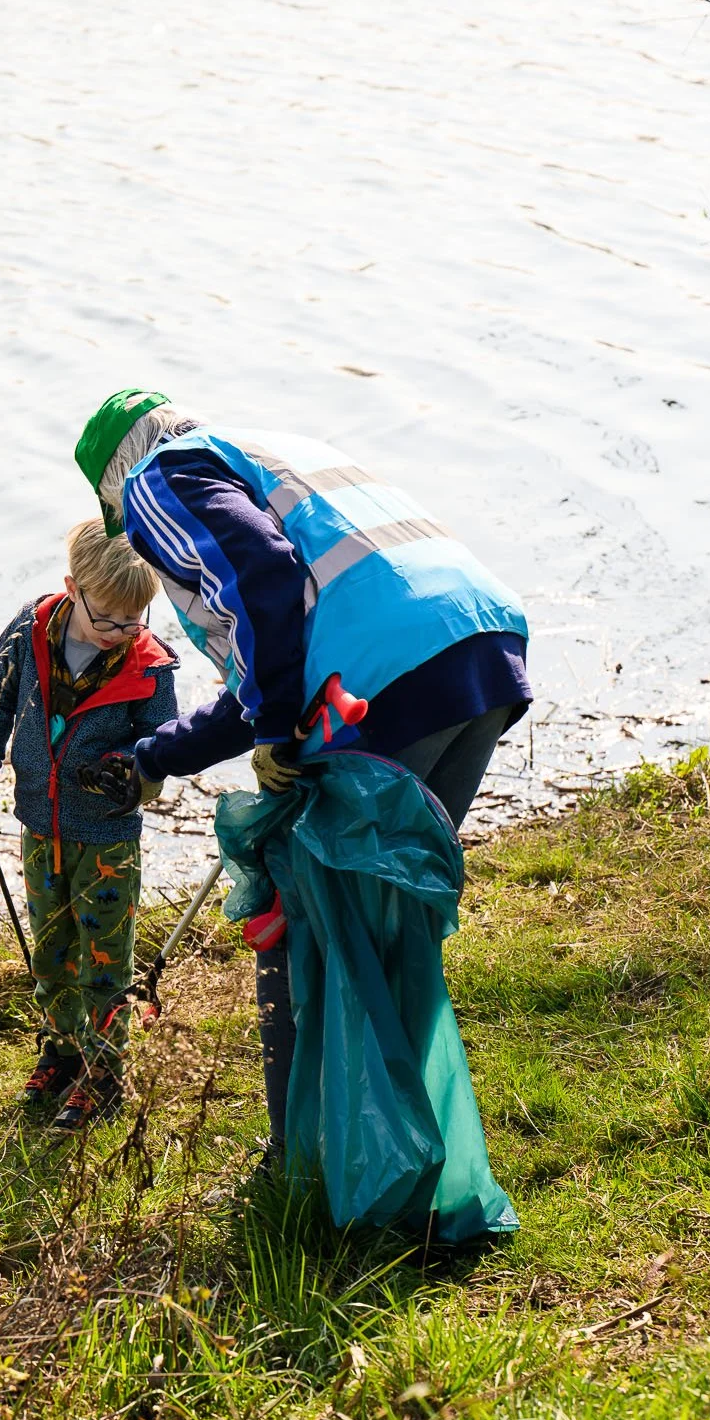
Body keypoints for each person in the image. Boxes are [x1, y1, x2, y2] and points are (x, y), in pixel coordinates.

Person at [71, 388, 531, 1172]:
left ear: (115, 486)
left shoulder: (157, 480)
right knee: (394, 910)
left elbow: (267, 579)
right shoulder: (267, 448)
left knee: (300, 908)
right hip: (481, 648)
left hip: (383, 675)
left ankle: (302, 1160)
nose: (142, 547)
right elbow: (263, 663)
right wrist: (156, 759)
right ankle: (395, 1149)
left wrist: (280, 729)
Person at [0, 520, 179, 1132]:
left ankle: (105, 1074)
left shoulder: (150, 663)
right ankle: (60, 1050)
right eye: (104, 620)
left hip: (108, 837)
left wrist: (138, 774)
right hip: (40, 822)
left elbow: (163, 741)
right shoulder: (30, 629)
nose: (116, 634)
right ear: (72, 587)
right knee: (51, 950)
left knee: (105, 957)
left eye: (130, 622)